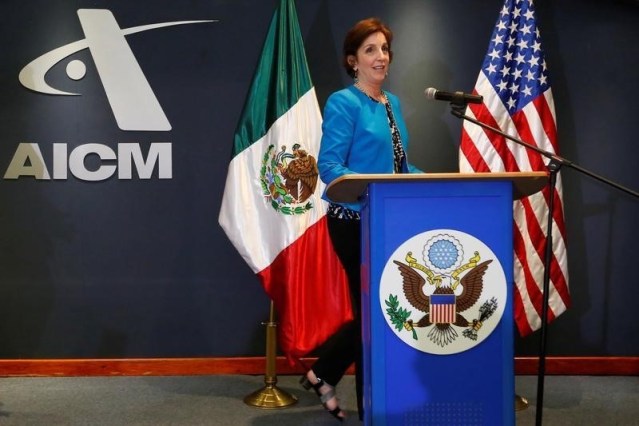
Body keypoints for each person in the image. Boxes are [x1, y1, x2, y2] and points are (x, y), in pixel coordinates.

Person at [299, 17, 422, 422]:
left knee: (381, 310)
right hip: (354, 221)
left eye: (384, 48)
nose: (381, 56)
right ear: (353, 61)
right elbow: (330, 165)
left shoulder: (393, 103)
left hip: (389, 221)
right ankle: (344, 384)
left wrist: (444, 182)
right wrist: (366, 191)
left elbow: (401, 167)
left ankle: (325, 373)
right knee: (375, 311)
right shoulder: (343, 102)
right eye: (370, 50)